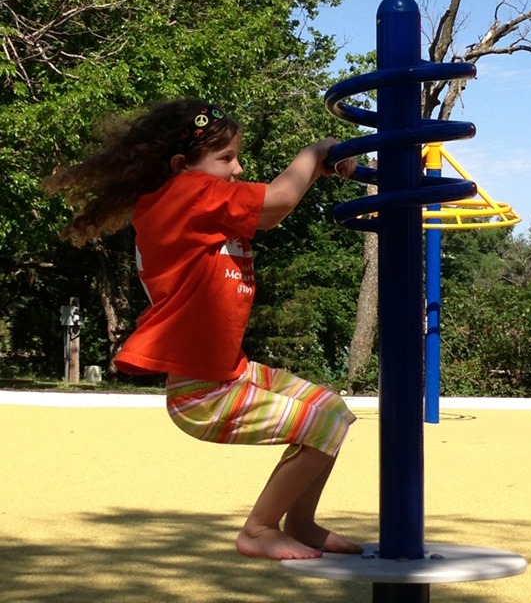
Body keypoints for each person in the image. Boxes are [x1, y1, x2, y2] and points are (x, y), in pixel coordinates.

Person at [45, 97, 360, 561]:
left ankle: (301, 522)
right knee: (317, 425)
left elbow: (270, 212)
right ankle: (259, 529)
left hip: (231, 373)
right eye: (226, 157)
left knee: (331, 410)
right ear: (181, 166)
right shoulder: (187, 194)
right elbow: (277, 202)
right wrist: (315, 152)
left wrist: (317, 170)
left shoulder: (192, 201)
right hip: (204, 392)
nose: (237, 169)